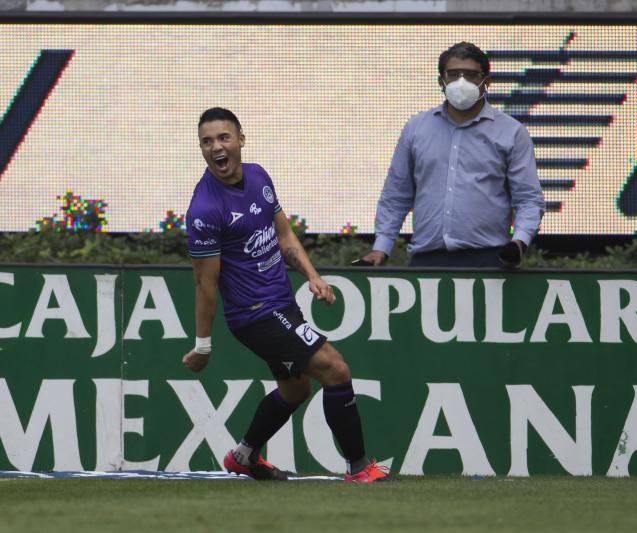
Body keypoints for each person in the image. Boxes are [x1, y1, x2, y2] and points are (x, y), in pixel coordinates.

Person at [182, 107, 390, 483]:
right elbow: (204, 285)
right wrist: (203, 345)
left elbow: (283, 235)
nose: (216, 147)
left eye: (223, 138)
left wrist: (313, 276)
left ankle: (243, 456)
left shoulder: (259, 176)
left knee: (295, 389)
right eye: (207, 142)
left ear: (241, 139)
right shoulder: (205, 209)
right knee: (336, 368)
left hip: (281, 304)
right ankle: (360, 468)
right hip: (255, 313)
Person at [361, 41, 545, 268]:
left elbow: (528, 198)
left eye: (470, 75)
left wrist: (520, 242)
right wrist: (381, 247)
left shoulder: (511, 132)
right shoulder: (417, 128)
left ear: (486, 82)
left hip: (489, 259)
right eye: (454, 74)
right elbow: (396, 194)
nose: (461, 82)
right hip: (427, 260)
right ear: (441, 81)